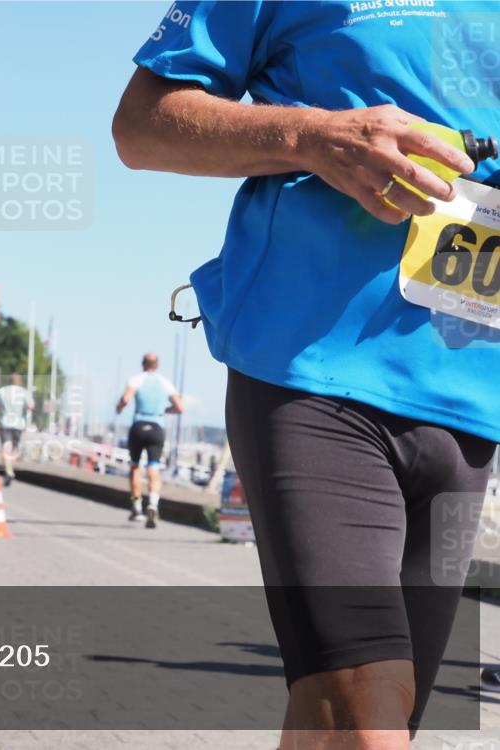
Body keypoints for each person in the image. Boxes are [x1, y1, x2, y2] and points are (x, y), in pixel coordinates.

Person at [113, 3, 498, 748]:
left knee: (342, 719)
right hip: (315, 372)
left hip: (472, 407)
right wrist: (317, 136)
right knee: (367, 717)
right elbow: (141, 125)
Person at [115, 353, 183, 528]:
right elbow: (179, 407)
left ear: (143, 364)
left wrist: (119, 408)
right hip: (157, 428)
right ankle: (153, 503)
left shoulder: (136, 379)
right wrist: (165, 411)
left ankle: (136, 506)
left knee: (135, 466)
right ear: (157, 365)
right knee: (153, 466)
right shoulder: (165, 382)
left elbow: (125, 399)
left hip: (139, 426)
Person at [0, 373, 34, 486]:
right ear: (20, 381)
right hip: (19, 424)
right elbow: (31, 406)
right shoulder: (24, 392)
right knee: (14, 448)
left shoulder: (1, 391)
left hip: (5, 422)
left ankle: (9, 470)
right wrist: (22, 408)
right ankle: (10, 468)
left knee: (6, 446)